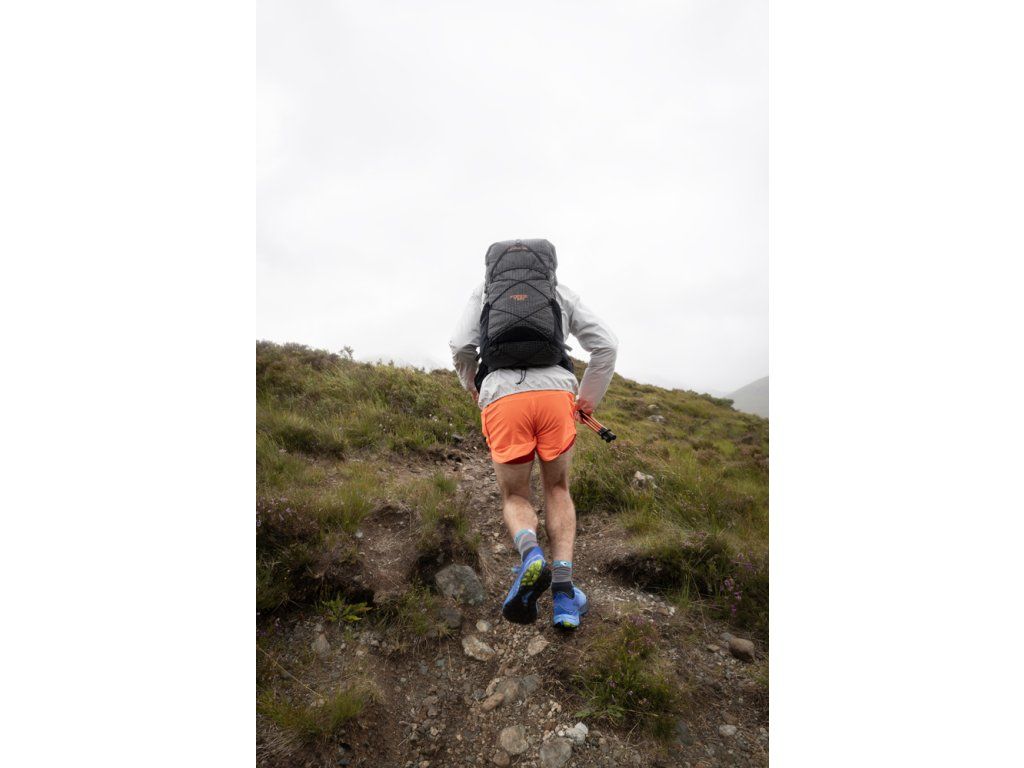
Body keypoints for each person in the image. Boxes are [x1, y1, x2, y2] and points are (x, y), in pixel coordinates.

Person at [449, 239, 618, 629]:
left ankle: (531, 556)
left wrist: (474, 387)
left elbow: (460, 345)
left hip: (503, 397)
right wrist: (586, 400)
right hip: (556, 393)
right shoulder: (558, 291)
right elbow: (606, 345)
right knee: (557, 488)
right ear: (547, 264)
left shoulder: (485, 293)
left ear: (493, 266)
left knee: (516, 495)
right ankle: (564, 595)